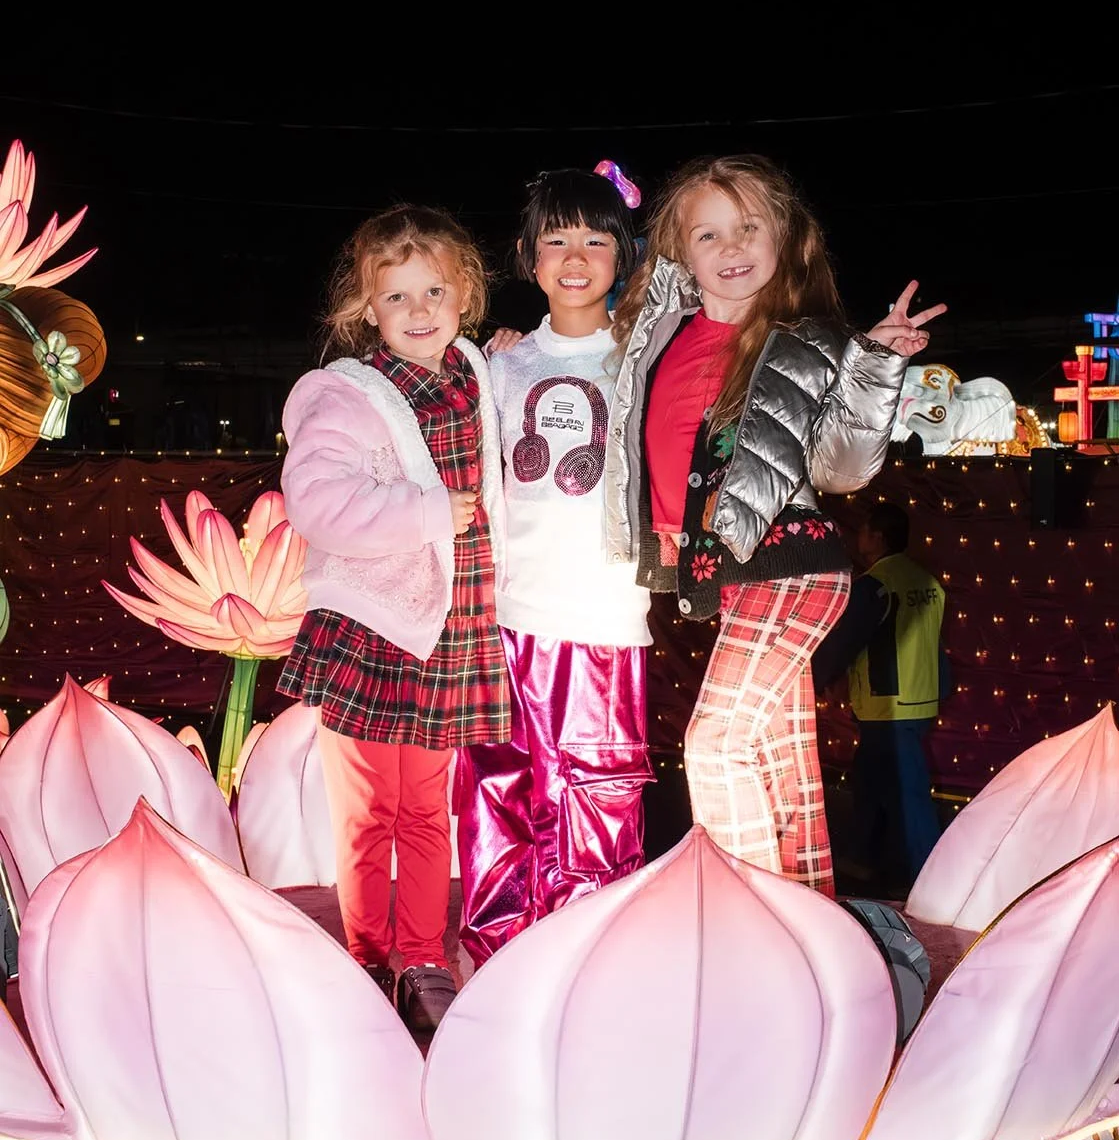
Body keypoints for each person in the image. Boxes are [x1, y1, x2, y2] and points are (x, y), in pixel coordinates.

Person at [604, 154, 945, 895]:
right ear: (678, 251)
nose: (730, 249)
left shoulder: (807, 340)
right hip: (731, 575)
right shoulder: (655, 337)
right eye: (708, 234)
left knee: (717, 743)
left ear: (784, 240)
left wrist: (876, 363)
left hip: (790, 563)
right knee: (777, 755)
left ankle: (750, 922)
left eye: (748, 228)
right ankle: (808, 913)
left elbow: (842, 469)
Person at [277, 205, 509, 1033]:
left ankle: (420, 955)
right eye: (397, 295)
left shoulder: (475, 375)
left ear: (465, 294)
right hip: (376, 631)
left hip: (450, 631)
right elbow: (314, 498)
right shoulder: (346, 395)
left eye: (435, 290)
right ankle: (367, 955)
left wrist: (510, 355)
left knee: (426, 808)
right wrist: (423, 513)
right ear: (365, 309)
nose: (419, 310)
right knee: (369, 807)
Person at [458, 167, 655, 965]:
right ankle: (499, 956)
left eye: (596, 239)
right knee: (496, 789)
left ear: (625, 255)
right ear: (526, 257)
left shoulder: (646, 362)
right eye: (557, 239)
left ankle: (586, 962)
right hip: (504, 618)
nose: (576, 256)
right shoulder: (494, 367)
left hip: (604, 622)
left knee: (597, 798)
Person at [813, 500, 948, 891]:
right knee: (871, 780)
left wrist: (816, 678)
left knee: (909, 793)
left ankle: (931, 874)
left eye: (865, 530)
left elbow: (845, 643)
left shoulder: (875, 586)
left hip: (887, 704)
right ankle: (861, 857)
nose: (860, 536)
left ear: (879, 537)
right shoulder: (929, 583)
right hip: (919, 700)